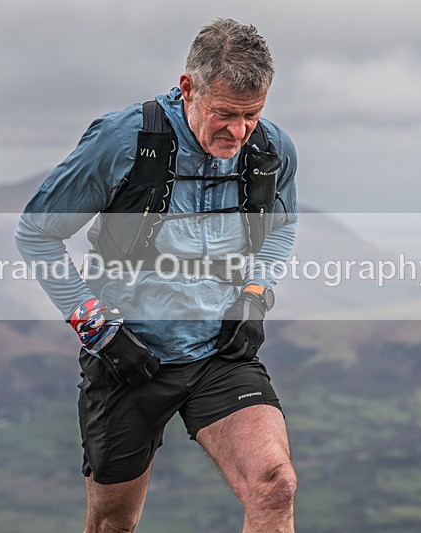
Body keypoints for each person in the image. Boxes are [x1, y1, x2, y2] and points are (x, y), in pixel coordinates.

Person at [15, 18, 298, 532]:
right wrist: (99, 330)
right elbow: (36, 235)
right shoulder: (124, 140)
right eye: (224, 115)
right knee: (113, 524)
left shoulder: (271, 149)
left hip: (220, 353)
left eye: (251, 115)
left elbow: (281, 230)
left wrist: (256, 297)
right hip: (130, 356)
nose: (238, 132)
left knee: (274, 484)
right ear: (188, 87)